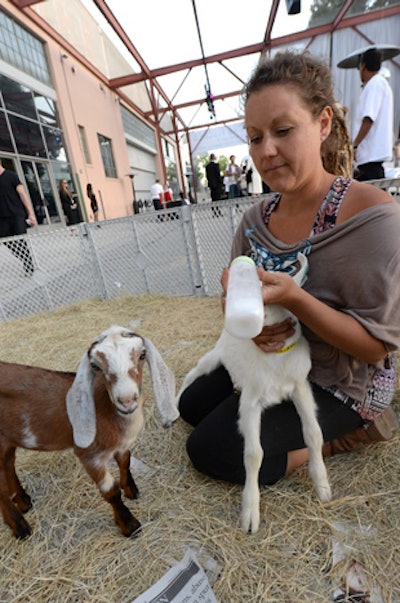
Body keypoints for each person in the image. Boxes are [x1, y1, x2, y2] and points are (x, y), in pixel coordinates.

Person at [178, 50, 400, 493]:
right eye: (254, 137)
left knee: (211, 450)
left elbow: (376, 350)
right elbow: (235, 299)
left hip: (341, 380)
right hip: (274, 362)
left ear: (322, 124)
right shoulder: (254, 221)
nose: (267, 151)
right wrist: (245, 322)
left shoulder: (373, 219)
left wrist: (294, 299)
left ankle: (348, 435)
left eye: (282, 131)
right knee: (191, 405)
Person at [352, 48, 394, 181]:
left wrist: (355, 145)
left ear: (363, 66)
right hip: (371, 158)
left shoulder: (374, 84)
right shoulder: (379, 84)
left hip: (370, 156)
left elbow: (369, 118)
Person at [0, 158, 37, 274]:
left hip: (17, 215)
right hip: (2, 218)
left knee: (21, 240)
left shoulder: (11, 176)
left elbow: (22, 194)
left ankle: (28, 264)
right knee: (7, 242)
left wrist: (31, 213)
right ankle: (26, 258)